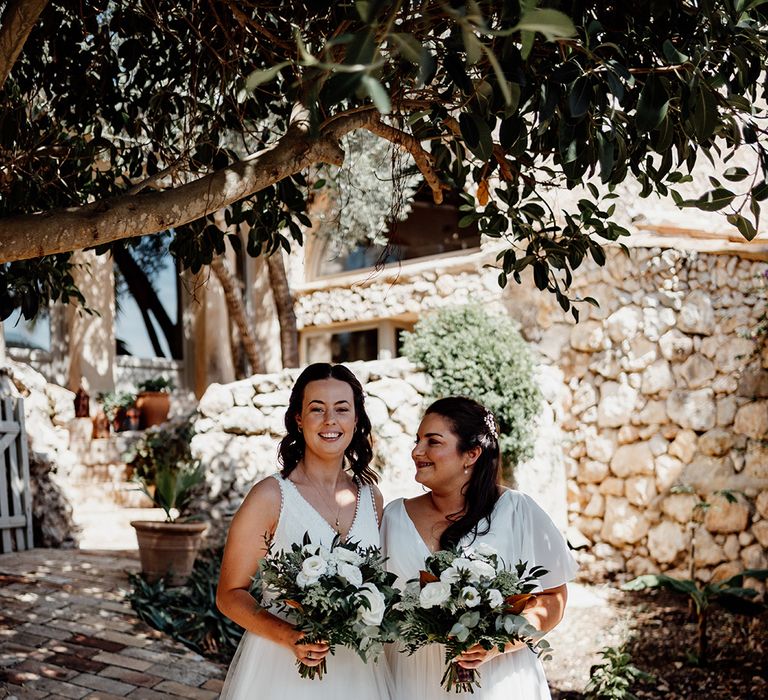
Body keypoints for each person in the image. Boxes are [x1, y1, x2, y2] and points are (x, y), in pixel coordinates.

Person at [381, 396, 577, 700]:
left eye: (433, 442)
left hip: (498, 680)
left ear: (471, 454)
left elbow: (553, 597)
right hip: (411, 679)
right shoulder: (393, 518)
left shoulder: (516, 510)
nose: (417, 451)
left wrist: (497, 643)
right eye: (417, 440)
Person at [217, 363, 392, 700]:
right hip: (283, 669)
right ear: (298, 418)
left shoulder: (372, 497)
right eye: (316, 409)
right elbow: (229, 594)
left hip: (358, 672)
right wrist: (288, 636)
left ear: (356, 420)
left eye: (342, 409)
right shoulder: (270, 496)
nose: (330, 420)